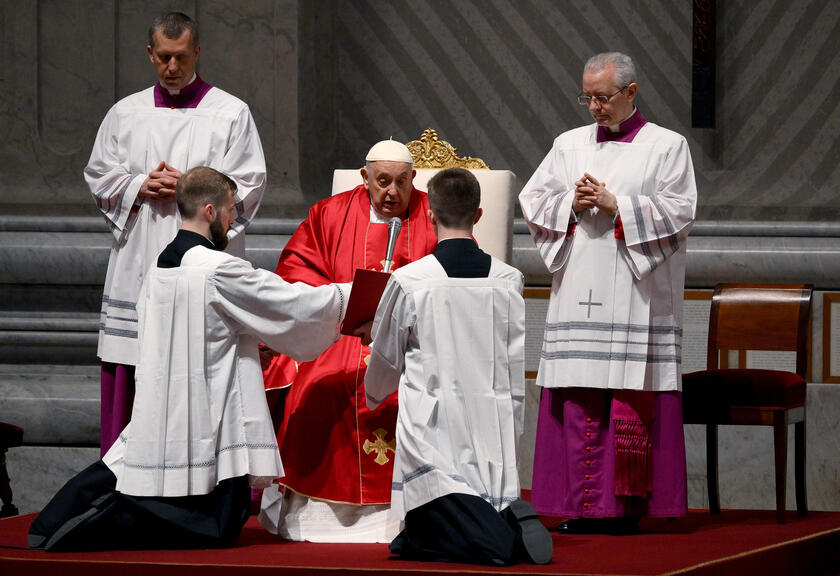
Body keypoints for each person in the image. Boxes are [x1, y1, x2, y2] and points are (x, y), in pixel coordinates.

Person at [29, 167, 348, 552]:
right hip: (210, 404)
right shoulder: (219, 269)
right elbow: (294, 304)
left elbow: (194, 330)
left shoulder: (160, 267)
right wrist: (355, 294)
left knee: (153, 483)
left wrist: (249, 337)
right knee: (215, 526)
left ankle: (66, 518)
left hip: (166, 403)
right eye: (231, 210)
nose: (233, 222)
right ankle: (102, 521)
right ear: (210, 211)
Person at [519, 52, 696, 534]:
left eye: (603, 97)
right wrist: (569, 204)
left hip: (638, 297)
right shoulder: (568, 144)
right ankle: (579, 505)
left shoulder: (667, 146)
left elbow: (680, 212)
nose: (593, 107)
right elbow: (534, 200)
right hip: (579, 288)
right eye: (587, 97)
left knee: (627, 395)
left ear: (631, 92)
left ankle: (624, 509)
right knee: (579, 399)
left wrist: (619, 205)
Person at [86, 11, 266, 456]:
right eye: (163, 57)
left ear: (197, 52)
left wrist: (190, 187)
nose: (172, 67)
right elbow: (98, 175)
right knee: (136, 365)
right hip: (140, 256)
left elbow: (250, 183)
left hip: (204, 263)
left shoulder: (230, 113)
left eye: (181, 57)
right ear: (150, 54)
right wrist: (138, 185)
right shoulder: (124, 113)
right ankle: (121, 483)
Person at [364, 168, 552, 565]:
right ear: (478, 215)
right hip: (491, 421)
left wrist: (374, 392)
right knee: (434, 526)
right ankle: (499, 518)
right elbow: (513, 357)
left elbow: (385, 357)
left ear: (429, 215)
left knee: (451, 511)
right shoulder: (509, 280)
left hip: (433, 425)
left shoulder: (410, 280)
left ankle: (504, 538)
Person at [258, 140, 437, 542]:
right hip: (337, 332)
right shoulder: (328, 214)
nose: (392, 192)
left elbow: (454, 271)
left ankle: (414, 509)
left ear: (414, 180)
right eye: (383, 181)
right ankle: (320, 512)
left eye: (401, 182)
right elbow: (296, 272)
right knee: (320, 384)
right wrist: (339, 302)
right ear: (364, 178)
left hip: (413, 338)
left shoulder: (434, 213)